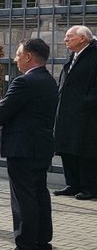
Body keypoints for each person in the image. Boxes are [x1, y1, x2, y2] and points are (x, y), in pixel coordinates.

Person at [0, 38, 57, 250]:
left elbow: (3, 109)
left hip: (22, 147)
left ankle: (25, 249)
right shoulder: (49, 80)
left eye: (18, 54)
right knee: (39, 194)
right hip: (41, 146)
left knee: (23, 198)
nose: (15, 59)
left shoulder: (24, 82)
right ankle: (42, 244)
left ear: (28, 56)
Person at [53, 25, 97, 200]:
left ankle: (89, 187)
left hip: (86, 114)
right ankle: (73, 183)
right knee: (67, 149)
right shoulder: (74, 55)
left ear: (82, 38)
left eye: (69, 37)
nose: (65, 40)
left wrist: (87, 102)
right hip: (67, 111)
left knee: (84, 151)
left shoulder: (93, 55)